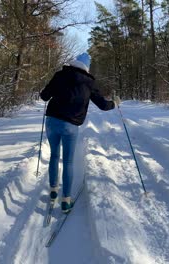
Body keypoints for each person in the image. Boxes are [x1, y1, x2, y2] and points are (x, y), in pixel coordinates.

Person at [40, 52, 120, 213]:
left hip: (52, 121)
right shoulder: (89, 83)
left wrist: (47, 91)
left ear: (74, 62)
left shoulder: (60, 74)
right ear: (87, 67)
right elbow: (103, 105)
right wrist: (115, 103)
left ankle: (53, 190)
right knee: (68, 161)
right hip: (70, 125)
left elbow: (44, 96)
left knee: (54, 155)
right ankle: (66, 200)